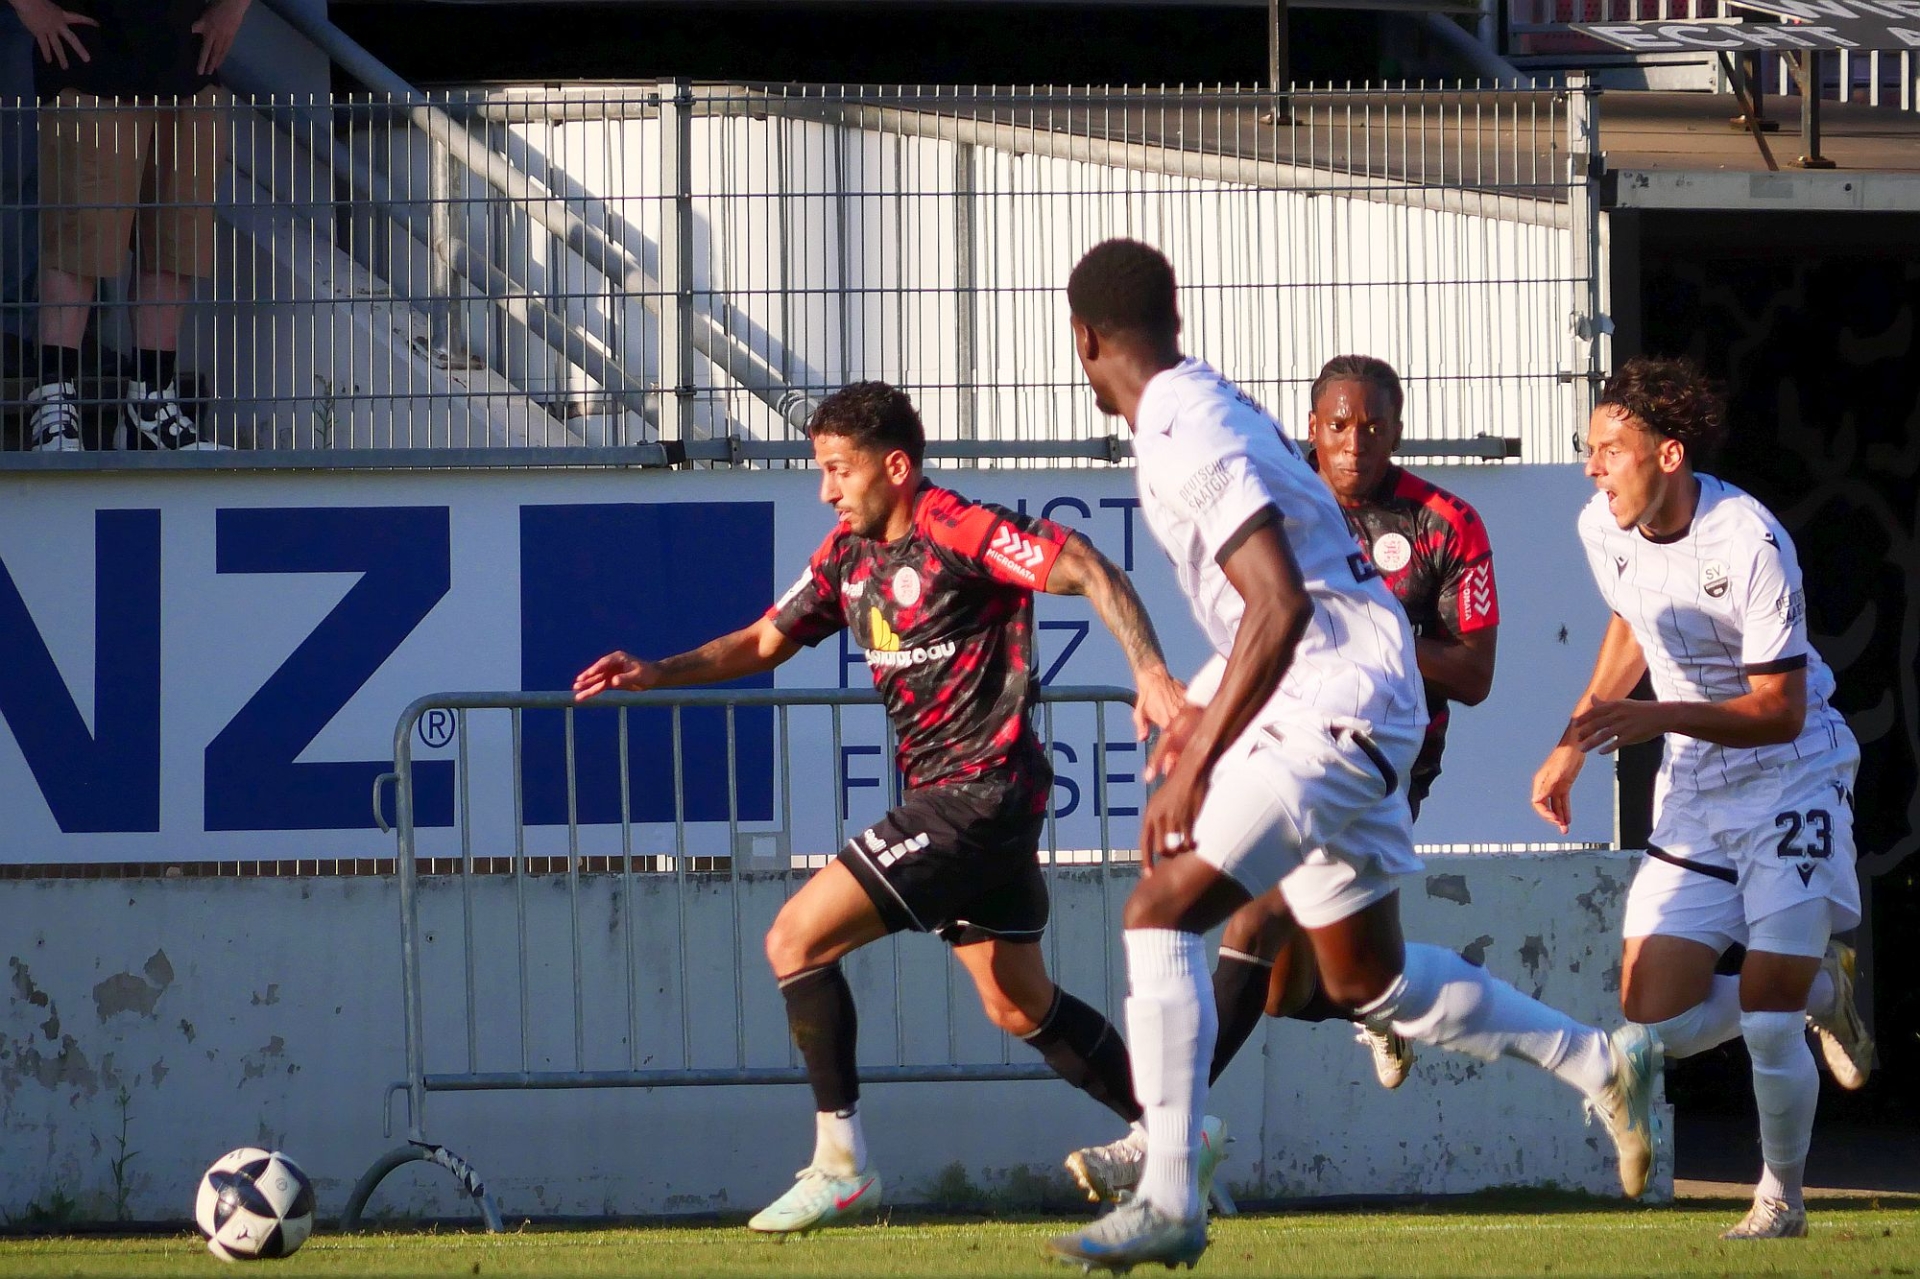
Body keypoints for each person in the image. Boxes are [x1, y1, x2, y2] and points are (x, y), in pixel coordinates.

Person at [1045, 239, 1656, 1273]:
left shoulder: (1183, 430)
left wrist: (1197, 758)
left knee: (1160, 908)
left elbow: (1281, 604)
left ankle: (1169, 1187)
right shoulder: (1206, 404)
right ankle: (1601, 1060)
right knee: (1367, 979)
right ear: (1173, 321)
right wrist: (1206, 699)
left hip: (1334, 702)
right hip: (1356, 695)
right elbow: (1299, 588)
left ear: (1083, 339)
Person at [574, 381, 1193, 1236]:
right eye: (821, 469)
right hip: (977, 803)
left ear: (895, 467)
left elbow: (1084, 563)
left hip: (977, 796)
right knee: (1016, 999)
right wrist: (658, 670)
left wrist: (1151, 671)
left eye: (838, 469)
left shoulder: (957, 529)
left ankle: (843, 1164)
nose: (825, 489)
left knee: (794, 938)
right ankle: (1175, 1135)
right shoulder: (846, 557)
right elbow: (763, 640)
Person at [1062, 353, 1503, 1205]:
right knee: (1284, 989)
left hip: (1377, 752)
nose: (1354, 442)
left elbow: (1475, 672)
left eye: (1372, 426)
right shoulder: (1281, 496)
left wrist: (1365, 633)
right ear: (1311, 429)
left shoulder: (1446, 522)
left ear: (1398, 431)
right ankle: (1387, 1002)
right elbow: (1255, 623)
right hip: (1282, 729)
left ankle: (1159, 1142)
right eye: (1338, 425)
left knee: (1251, 918)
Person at [1529, 355, 1872, 1241]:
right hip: (1696, 784)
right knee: (1654, 1019)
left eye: (1610, 449)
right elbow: (1630, 621)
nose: (1592, 467)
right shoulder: (1602, 526)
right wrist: (1572, 742)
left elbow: (1780, 708)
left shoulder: (1749, 540)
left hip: (1792, 774)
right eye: (1590, 448)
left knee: (1764, 1019)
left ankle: (1781, 1200)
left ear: (1669, 453)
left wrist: (1657, 716)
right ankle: (1820, 986)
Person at [11, 0, 249, 451]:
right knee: (79, 241)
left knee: (175, 242)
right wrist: (32, 7)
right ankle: (54, 404)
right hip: (89, 62)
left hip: (190, 63)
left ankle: (150, 407)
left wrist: (234, 8)